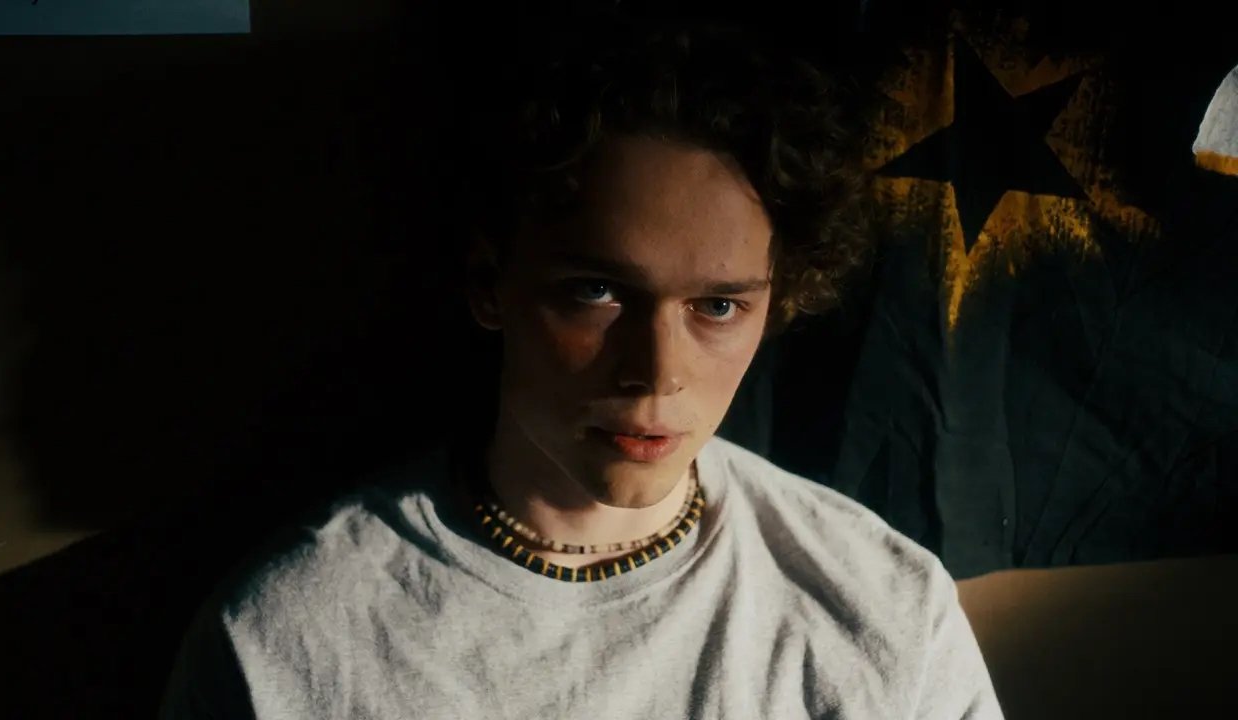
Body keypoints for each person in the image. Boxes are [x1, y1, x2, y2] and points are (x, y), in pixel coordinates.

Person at [160, 7, 1004, 719]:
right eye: (597, 292)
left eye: (717, 306)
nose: (656, 372)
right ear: (489, 281)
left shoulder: (886, 611)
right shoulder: (288, 639)